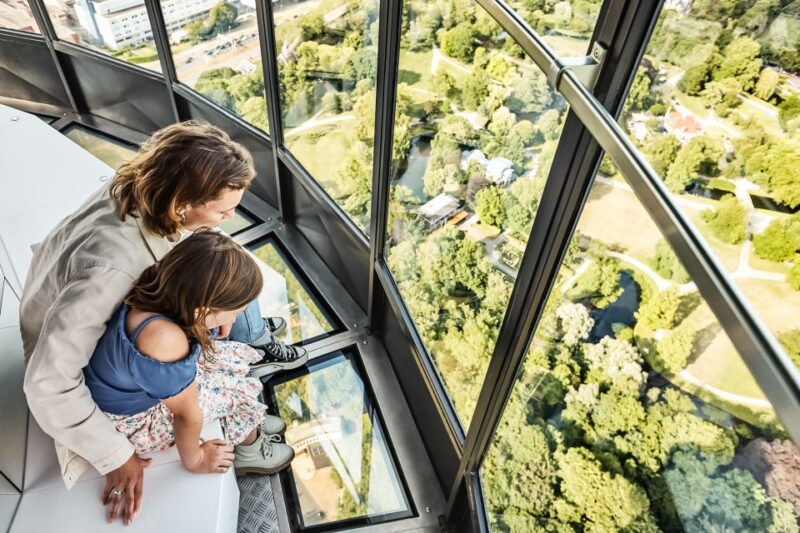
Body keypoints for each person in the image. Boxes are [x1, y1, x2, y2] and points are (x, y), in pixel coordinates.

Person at [20, 121, 304, 526]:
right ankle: (247, 436)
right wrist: (114, 456)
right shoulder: (110, 271)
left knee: (234, 284)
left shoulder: (143, 185)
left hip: (98, 319)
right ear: (182, 204)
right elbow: (47, 382)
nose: (229, 218)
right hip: (75, 350)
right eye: (223, 210)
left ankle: (249, 381)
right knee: (222, 367)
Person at [85, 230, 294, 520]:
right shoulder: (165, 340)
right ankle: (248, 447)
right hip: (133, 420)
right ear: (203, 309)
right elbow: (187, 415)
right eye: (231, 313)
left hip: (133, 387)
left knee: (225, 358)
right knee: (233, 393)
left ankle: (250, 426)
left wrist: (211, 323)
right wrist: (196, 459)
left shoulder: (156, 287)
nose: (232, 321)